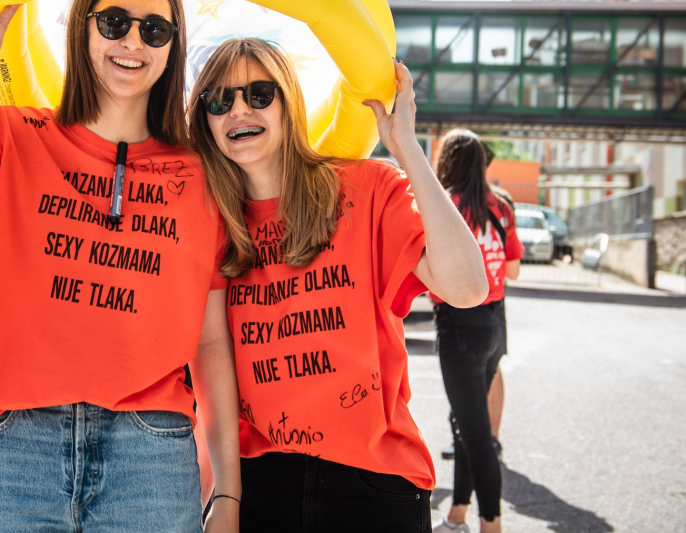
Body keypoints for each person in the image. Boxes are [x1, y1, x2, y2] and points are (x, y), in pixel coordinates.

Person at [0, 0, 241, 532]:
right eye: (115, 21)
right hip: (15, 445)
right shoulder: (12, 133)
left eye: (155, 29)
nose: (132, 41)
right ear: (83, 28)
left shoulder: (205, 173)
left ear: (173, 47)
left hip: (150, 452)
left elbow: (212, 340)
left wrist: (228, 491)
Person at [187, 38, 488, 533]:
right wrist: (226, 493)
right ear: (207, 120)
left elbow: (468, 287)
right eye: (220, 101)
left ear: (289, 102)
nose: (239, 109)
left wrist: (407, 149)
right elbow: (211, 367)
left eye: (259, 94)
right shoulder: (211, 223)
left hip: (375, 483)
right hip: (261, 485)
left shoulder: (366, 188)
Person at [430, 129, 522, 533]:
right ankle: (458, 514)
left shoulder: (444, 206)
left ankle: (492, 525)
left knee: (477, 436)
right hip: (495, 323)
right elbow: (514, 268)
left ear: (446, 162)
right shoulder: (501, 205)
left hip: (459, 326)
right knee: (466, 425)